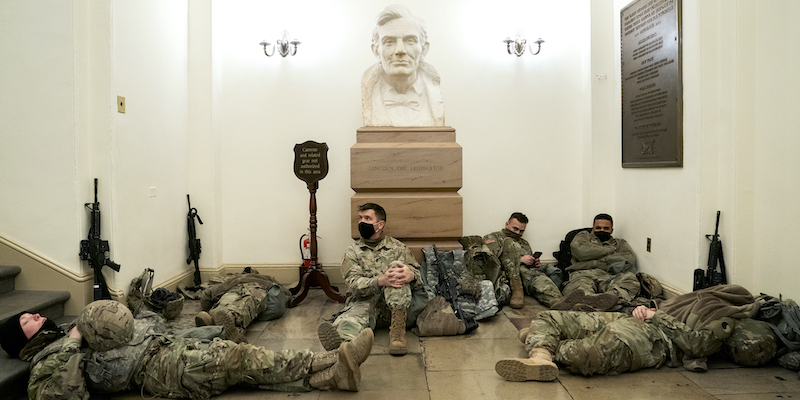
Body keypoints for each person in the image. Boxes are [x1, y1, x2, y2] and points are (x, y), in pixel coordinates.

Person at [0, 300, 374, 399]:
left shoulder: (67, 332)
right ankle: (325, 360)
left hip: (165, 348)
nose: (34, 314)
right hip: (160, 371)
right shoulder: (47, 361)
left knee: (241, 365)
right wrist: (75, 341)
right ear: (25, 342)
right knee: (239, 360)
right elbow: (63, 394)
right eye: (25, 321)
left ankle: (330, 377)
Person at [494, 304, 735, 381]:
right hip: (630, 318)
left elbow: (698, 345)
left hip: (651, 339)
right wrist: (646, 309)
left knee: (586, 355)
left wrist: (657, 316)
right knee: (550, 316)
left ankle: (540, 341)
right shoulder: (702, 297)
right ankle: (541, 356)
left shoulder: (726, 318)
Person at [318, 203, 427, 356]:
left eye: (367, 218)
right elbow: (353, 285)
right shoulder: (352, 252)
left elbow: (420, 278)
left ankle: (397, 335)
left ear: (380, 225)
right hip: (365, 303)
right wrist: (380, 281)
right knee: (347, 324)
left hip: (398, 308)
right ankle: (342, 351)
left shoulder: (398, 248)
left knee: (397, 271)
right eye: (360, 218)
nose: (362, 222)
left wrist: (412, 276)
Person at [361, 4, 445, 127]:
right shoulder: (369, 90)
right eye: (389, 42)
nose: (400, 50)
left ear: (424, 49)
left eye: (410, 41)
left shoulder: (432, 92)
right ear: (376, 51)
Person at [552, 213, 638, 311]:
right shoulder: (583, 236)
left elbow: (629, 259)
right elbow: (581, 252)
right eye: (598, 228)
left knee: (631, 280)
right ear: (593, 228)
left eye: (606, 228)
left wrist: (594, 258)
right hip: (583, 274)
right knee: (580, 291)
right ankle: (597, 305)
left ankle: (608, 299)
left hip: (609, 275)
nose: (602, 230)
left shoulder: (619, 243)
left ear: (611, 230)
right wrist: (609, 252)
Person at [483, 212, 562, 309]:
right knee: (510, 247)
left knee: (538, 278)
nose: (517, 233)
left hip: (525, 276)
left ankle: (559, 301)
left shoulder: (524, 243)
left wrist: (534, 263)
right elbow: (490, 260)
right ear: (507, 224)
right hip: (504, 275)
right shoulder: (493, 238)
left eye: (521, 231)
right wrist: (519, 260)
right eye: (515, 229)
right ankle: (517, 290)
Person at [193, 268, 290, 344]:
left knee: (230, 301)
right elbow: (285, 293)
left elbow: (207, 294)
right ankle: (229, 323)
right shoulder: (265, 278)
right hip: (254, 288)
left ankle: (214, 321)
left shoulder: (231, 278)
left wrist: (209, 300)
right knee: (247, 303)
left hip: (233, 289)